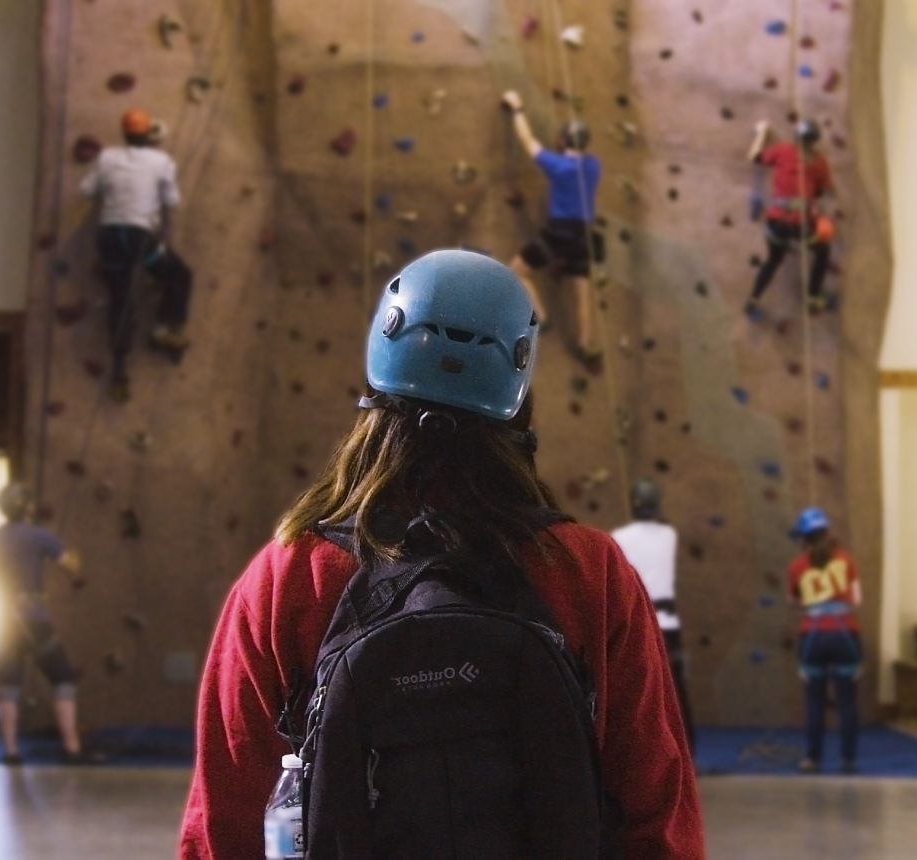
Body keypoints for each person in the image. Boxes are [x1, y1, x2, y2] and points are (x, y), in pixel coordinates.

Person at [179, 250, 703, 859]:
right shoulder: (588, 571)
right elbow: (657, 818)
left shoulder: (290, 573)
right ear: (519, 390)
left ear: (376, 378)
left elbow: (223, 826)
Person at [80, 107, 194, 403]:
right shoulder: (162, 161)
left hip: (109, 237)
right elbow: (173, 200)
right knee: (179, 275)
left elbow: (85, 190)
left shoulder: (106, 157)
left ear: (124, 133)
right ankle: (162, 327)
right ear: (148, 134)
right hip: (138, 237)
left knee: (120, 296)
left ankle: (119, 370)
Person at [0, 482, 93, 765]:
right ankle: (72, 747)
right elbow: (71, 565)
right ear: (28, 507)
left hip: (1, 618)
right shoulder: (39, 536)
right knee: (63, 677)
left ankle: (10, 752)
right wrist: (73, 557)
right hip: (33, 619)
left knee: (8, 684)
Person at [500, 89, 603, 363]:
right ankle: (585, 343)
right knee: (581, 290)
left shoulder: (557, 166)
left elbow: (527, 140)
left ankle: (542, 318)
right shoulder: (593, 165)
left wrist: (517, 107)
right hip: (583, 235)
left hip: (560, 233)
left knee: (517, 270)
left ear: (560, 140)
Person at [612, 479, 695, 755]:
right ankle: (687, 749)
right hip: (668, 624)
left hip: (641, 622)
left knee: (641, 690)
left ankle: (648, 751)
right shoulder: (668, 534)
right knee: (677, 691)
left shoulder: (619, 538)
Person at [787, 507, 862, 774]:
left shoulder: (796, 565)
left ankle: (812, 759)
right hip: (846, 635)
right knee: (847, 701)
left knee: (815, 701)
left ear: (803, 539)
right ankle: (848, 760)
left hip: (813, 636)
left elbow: (795, 600)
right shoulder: (845, 559)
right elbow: (857, 598)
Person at [745, 118, 835, 317]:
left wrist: (762, 131)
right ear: (814, 141)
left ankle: (753, 301)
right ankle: (813, 298)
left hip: (775, 221)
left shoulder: (782, 150)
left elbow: (754, 157)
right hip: (799, 224)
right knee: (823, 251)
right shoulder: (819, 162)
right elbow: (826, 191)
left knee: (773, 260)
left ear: (796, 136)